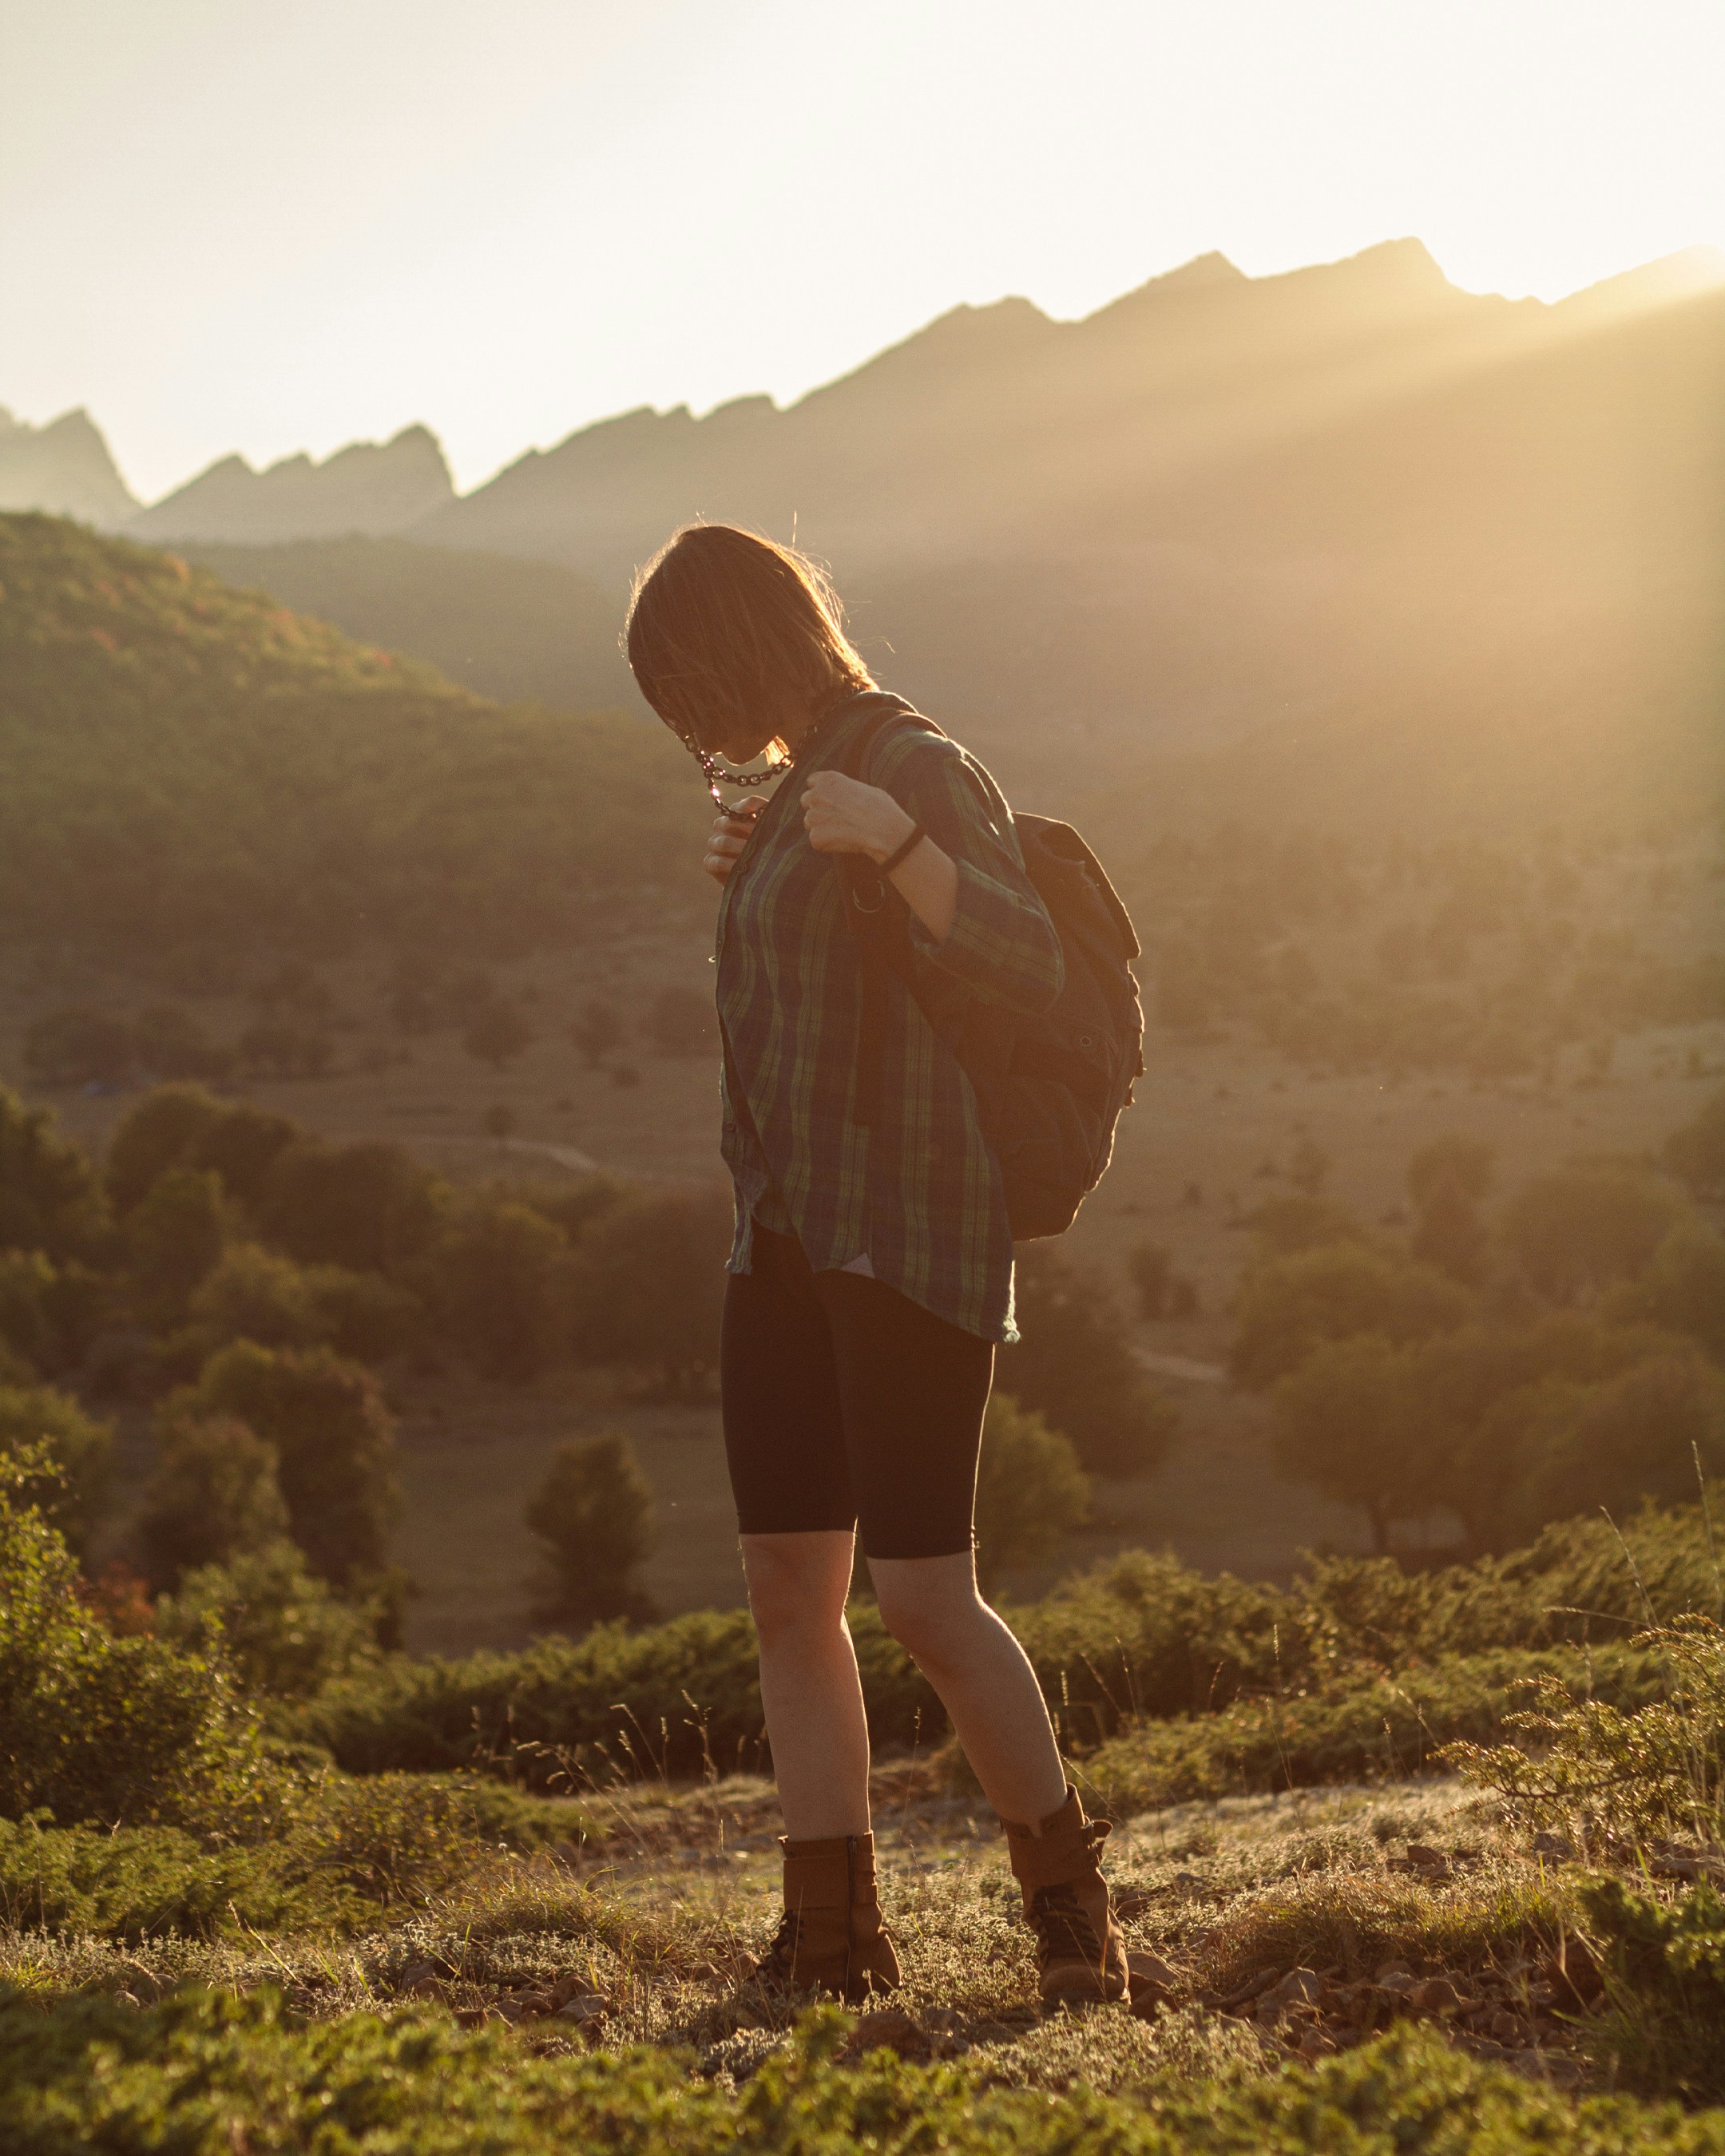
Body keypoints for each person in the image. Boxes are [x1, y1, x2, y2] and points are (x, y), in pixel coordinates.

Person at [625, 522, 1127, 2007]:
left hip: (906, 1226)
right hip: (780, 1233)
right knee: (791, 1588)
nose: (683, 723)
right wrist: (754, 865)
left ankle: (1072, 1918)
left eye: (684, 683)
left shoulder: (912, 766)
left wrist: (899, 850)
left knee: (921, 1598)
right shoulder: (788, 787)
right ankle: (834, 1939)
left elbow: (1030, 967)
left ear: (739, 647)